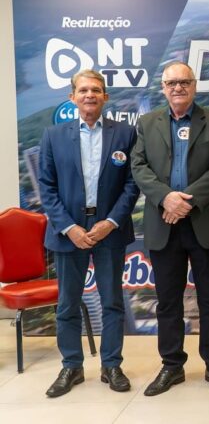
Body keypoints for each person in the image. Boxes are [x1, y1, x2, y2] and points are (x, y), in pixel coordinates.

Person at [131, 61, 209, 395]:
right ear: (163, 87)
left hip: (204, 222)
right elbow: (139, 166)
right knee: (168, 302)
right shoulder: (147, 123)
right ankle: (172, 366)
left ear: (194, 86)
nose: (178, 87)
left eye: (184, 82)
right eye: (172, 83)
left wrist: (187, 202)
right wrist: (166, 199)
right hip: (164, 224)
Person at [39, 69, 139, 397]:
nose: (89, 95)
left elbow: (131, 183)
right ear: (72, 97)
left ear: (105, 96)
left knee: (112, 302)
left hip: (109, 229)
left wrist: (110, 222)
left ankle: (111, 365)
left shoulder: (125, 133)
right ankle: (72, 366)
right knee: (68, 304)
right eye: (83, 90)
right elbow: (47, 188)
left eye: (96, 90)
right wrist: (69, 228)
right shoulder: (53, 135)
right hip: (70, 233)